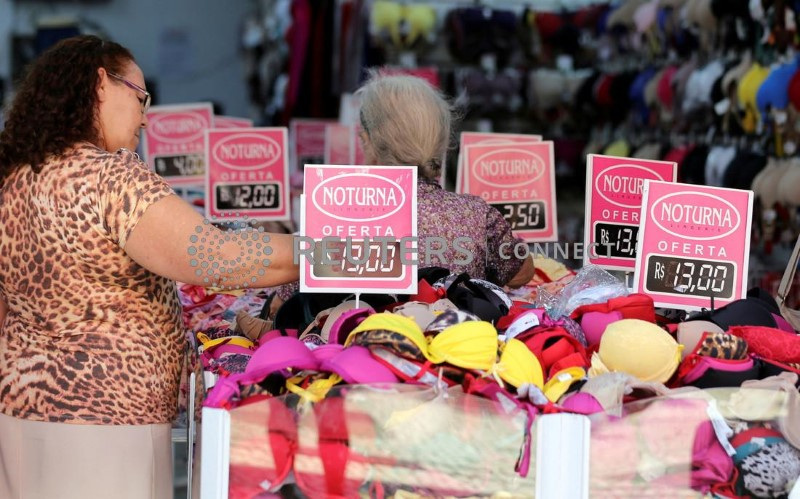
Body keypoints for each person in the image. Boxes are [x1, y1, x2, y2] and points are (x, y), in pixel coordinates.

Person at [0, 35, 298, 498]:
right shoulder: (110, 177)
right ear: (100, 84)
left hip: (18, 418)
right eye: (139, 95)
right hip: (103, 430)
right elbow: (216, 259)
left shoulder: (14, 179)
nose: (145, 113)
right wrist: (327, 252)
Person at [270, 71, 534, 316]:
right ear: (441, 143)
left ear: (369, 143)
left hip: (362, 355)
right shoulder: (475, 213)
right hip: (454, 354)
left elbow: (282, 303)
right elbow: (522, 271)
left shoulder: (338, 212)